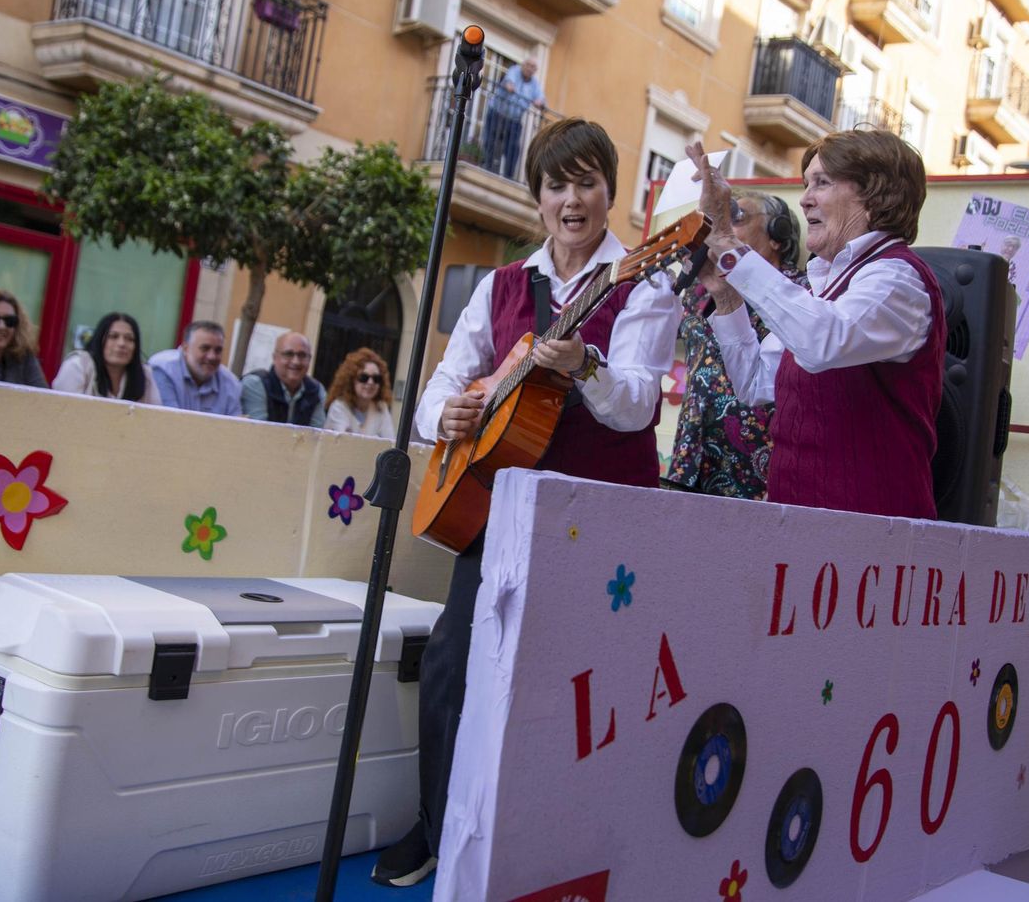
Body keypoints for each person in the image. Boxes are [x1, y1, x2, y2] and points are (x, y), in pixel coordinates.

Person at [372, 117, 676, 887]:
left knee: (582, 680)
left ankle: (568, 841)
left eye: (587, 183)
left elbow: (638, 404)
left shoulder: (643, 281)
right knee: (452, 663)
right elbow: (446, 380)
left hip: (601, 520)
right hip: (498, 505)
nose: (571, 201)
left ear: (610, 191)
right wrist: (445, 415)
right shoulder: (502, 285)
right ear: (536, 196)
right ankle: (441, 824)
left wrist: (585, 366)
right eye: (556, 185)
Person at [692, 128, 946, 519]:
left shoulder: (898, 278)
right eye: (807, 183)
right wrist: (726, 296)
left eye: (822, 183)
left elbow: (821, 341)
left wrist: (727, 242)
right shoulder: (825, 286)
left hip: (871, 529)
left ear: (874, 196)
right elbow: (754, 382)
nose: (805, 199)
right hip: (799, 523)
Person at [664, 193, 803, 498]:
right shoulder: (698, 292)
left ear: (777, 236)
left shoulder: (798, 292)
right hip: (692, 459)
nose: (722, 229)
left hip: (757, 467)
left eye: (737, 218)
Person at [52, 312, 159, 403]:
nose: (122, 344)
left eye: (129, 339)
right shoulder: (78, 365)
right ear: (99, 340)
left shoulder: (145, 374)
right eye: (113, 336)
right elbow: (63, 410)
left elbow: (155, 415)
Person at [149, 321, 243, 415]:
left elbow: (234, 422)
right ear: (185, 348)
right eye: (205, 348)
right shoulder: (163, 369)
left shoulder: (231, 384)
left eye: (218, 350)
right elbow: (168, 418)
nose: (212, 357)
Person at [242, 331, 325, 427]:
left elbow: (316, 433)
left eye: (302, 355)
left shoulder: (316, 390)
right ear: (274, 358)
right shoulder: (255, 384)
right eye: (289, 354)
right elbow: (259, 431)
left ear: (309, 359)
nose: (296, 361)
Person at [482, 57, 545, 179]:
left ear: (535, 71)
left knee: (513, 149)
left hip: (514, 120)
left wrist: (540, 102)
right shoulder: (514, 70)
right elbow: (509, 82)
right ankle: (487, 166)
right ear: (523, 65)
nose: (530, 69)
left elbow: (541, 100)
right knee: (491, 141)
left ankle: (508, 176)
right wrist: (509, 86)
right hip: (497, 113)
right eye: (528, 65)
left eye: (533, 67)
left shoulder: (534, 84)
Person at [324, 347, 396, 439]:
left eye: (376, 378)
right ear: (351, 380)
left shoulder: (381, 408)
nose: (370, 382)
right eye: (363, 377)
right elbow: (345, 442)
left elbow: (390, 442)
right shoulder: (338, 407)